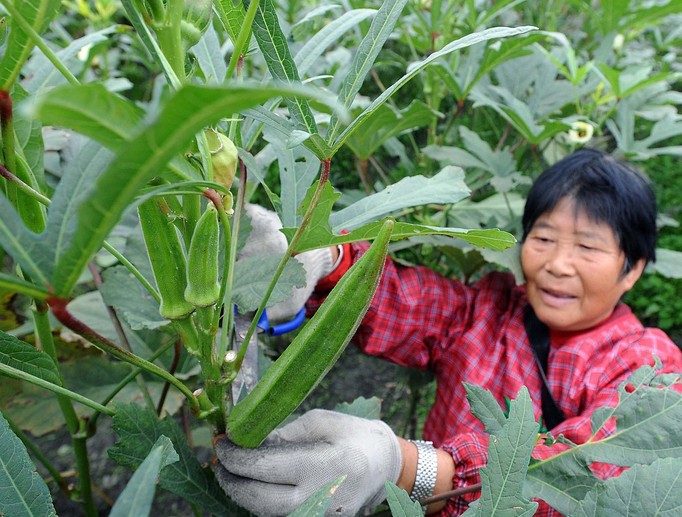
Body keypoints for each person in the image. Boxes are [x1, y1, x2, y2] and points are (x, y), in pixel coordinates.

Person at [213, 148, 682, 516]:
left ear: (632, 268)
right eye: (543, 238)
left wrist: (406, 468)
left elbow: (589, 474)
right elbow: (404, 303)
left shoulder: (651, 369)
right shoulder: (488, 308)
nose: (558, 264)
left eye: (587, 246)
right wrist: (324, 261)